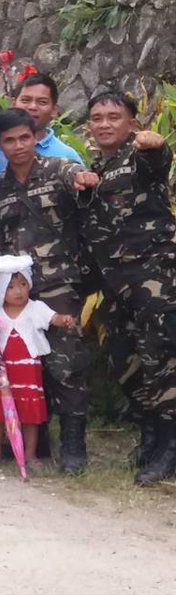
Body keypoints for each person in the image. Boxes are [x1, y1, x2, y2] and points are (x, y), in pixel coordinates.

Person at [0, 108, 99, 473]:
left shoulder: (59, 170)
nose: (18, 146)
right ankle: (35, 442)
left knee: (66, 363)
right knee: (20, 365)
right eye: (9, 141)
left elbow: (79, 179)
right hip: (14, 293)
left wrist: (84, 178)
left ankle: (73, 444)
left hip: (59, 285)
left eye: (24, 138)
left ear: (36, 136)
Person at [78, 91, 176, 485]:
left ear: (132, 123)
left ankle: (170, 446)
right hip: (115, 285)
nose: (104, 123)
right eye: (97, 117)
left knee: (162, 361)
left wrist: (157, 145)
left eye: (114, 116)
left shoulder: (139, 156)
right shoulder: (97, 167)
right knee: (126, 361)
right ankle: (150, 433)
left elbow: (158, 162)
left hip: (153, 280)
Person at [0, 253, 78, 472]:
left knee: (29, 414)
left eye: (23, 284)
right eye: (11, 287)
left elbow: (54, 318)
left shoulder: (35, 308)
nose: (19, 291)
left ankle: (30, 455)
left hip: (27, 372)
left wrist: (64, 320)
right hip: (3, 372)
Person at [0, 70, 83, 182]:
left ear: (54, 110)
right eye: (26, 100)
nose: (32, 107)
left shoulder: (66, 155)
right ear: (13, 104)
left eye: (42, 102)